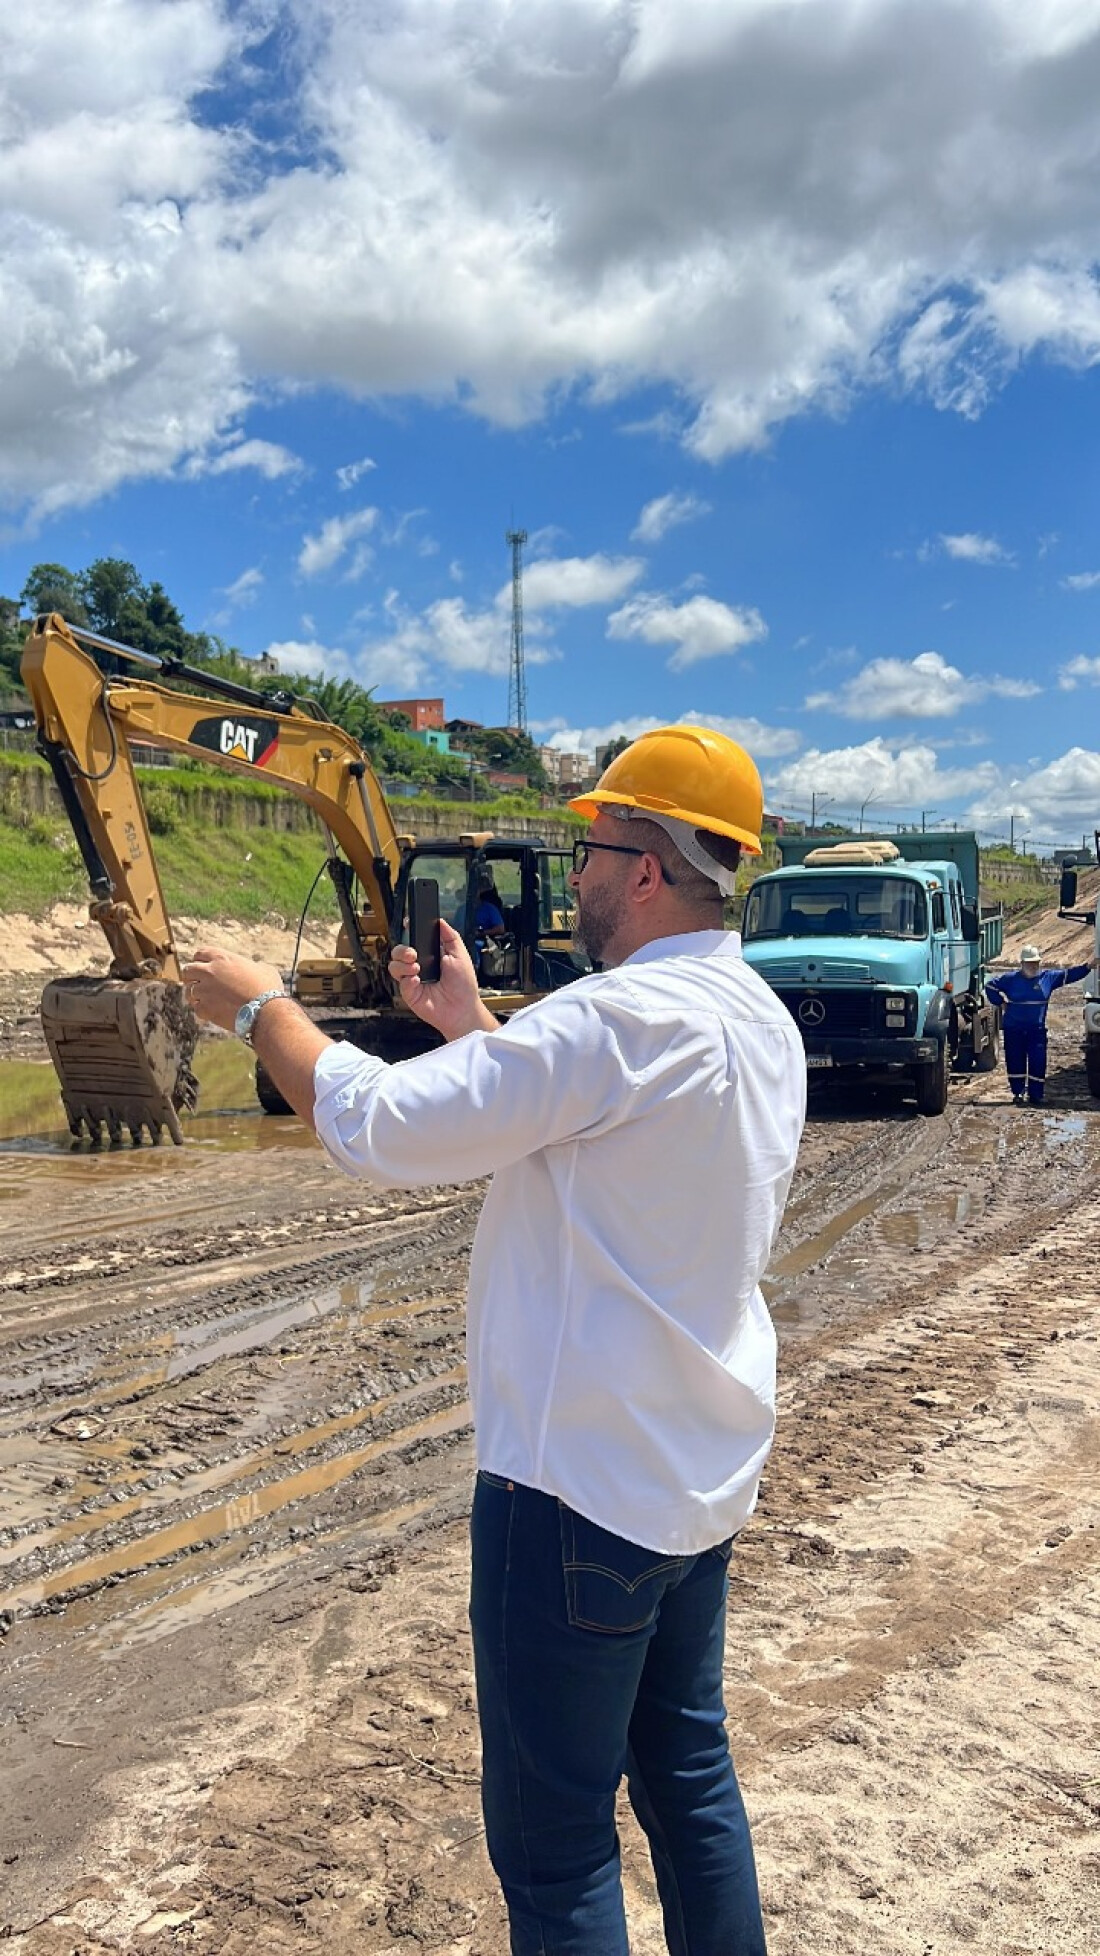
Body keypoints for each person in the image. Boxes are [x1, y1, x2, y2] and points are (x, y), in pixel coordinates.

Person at [181, 725, 807, 1955]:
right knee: (687, 1783)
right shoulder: (751, 1019)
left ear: (644, 867)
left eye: (590, 847)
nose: (573, 873)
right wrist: (473, 1028)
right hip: (692, 1482)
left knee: (556, 1840)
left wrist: (261, 1008)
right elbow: (582, 1141)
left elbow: (378, 1127)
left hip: (572, 1493)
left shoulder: (611, 1020)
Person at [985, 944, 1097, 1106]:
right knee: (1015, 1061)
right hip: (1013, 1030)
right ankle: (1018, 1093)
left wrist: (1087, 967)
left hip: (1036, 1031)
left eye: (1035, 962)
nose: (1033, 966)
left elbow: (1070, 975)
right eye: (1029, 963)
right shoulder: (1010, 979)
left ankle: (1036, 1095)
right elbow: (989, 986)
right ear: (1022, 963)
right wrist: (1001, 1003)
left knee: (1038, 1061)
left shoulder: (1048, 978)